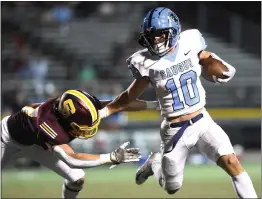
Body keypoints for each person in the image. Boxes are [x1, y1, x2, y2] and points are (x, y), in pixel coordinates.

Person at [98, 7, 257, 198]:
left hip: (202, 120)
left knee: (232, 162)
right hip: (175, 129)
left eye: (160, 34)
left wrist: (214, 65)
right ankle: (154, 163)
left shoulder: (190, 42)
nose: (155, 39)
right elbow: (128, 97)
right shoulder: (145, 61)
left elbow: (207, 59)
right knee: (171, 187)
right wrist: (105, 111)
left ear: (173, 31)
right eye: (151, 35)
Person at [1, 89, 150, 199]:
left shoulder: (70, 110)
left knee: (77, 178)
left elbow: (118, 104)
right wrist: (111, 157)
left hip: (36, 142)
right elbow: (72, 158)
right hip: (7, 139)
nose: (88, 130)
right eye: (82, 126)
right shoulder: (50, 127)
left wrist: (159, 106)